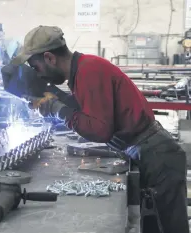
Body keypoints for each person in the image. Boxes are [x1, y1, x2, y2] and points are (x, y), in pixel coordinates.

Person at [11, 25, 189, 233]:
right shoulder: (82, 72)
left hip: (158, 157)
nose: (38, 75)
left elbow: (99, 130)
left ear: (50, 58)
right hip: (149, 152)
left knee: (170, 229)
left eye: (36, 67)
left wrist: (57, 109)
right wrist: (55, 101)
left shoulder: (89, 71)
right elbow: (85, 110)